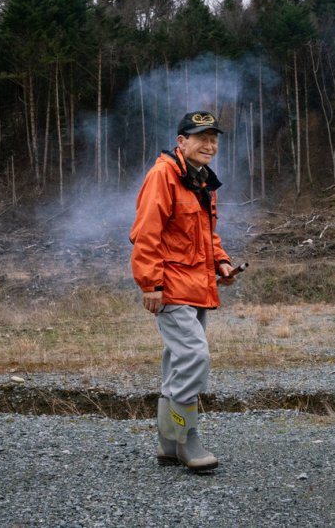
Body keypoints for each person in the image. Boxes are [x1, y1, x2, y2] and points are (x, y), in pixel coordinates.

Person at [129, 110, 237, 472]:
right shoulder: (163, 175)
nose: (209, 145)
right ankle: (187, 438)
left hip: (197, 285)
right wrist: (151, 284)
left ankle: (168, 444)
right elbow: (146, 233)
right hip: (172, 286)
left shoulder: (201, 180)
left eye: (213, 139)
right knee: (194, 357)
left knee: (178, 360)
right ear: (181, 142)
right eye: (201, 138)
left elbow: (206, 235)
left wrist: (221, 262)